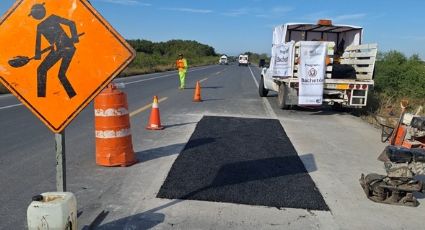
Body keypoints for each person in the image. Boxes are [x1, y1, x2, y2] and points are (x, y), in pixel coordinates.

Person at [30, 3, 79, 98]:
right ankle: (42, 97)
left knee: (59, 74)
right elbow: (38, 43)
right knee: (42, 70)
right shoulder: (39, 26)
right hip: (58, 50)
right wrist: (37, 55)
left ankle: (73, 97)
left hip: (67, 48)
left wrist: (74, 38)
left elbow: (71, 23)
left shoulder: (52, 18)